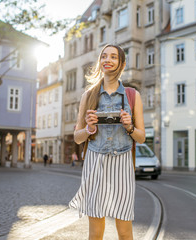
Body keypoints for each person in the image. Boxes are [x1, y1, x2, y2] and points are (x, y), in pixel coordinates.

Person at [69, 44, 145, 240]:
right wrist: (89, 129)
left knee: (125, 228)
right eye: (104, 56)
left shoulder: (132, 96)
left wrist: (129, 126)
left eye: (113, 57)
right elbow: (77, 137)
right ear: (100, 62)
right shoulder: (89, 95)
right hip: (95, 161)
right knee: (95, 231)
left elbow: (141, 137)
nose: (107, 60)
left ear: (121, 63)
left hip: (123, 162)